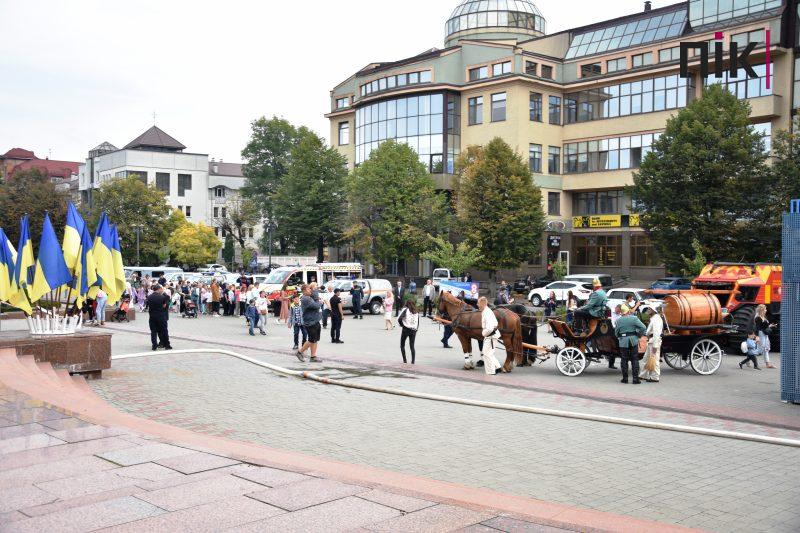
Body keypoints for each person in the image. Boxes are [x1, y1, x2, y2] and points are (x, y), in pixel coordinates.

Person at [614, 304, 646, 384]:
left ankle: (625, 379)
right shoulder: (634, 318)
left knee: (624, 359)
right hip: (633, 340)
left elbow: (616, 332)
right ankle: (635, 379)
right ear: (628, 311)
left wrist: (619, 337)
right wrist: (639, 334)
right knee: (635, 359)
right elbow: (643, 327)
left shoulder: (618, 320)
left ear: (621, 312)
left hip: (623, 341)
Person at [296, 284, 322, 363]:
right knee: (311, 339)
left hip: (315, 320)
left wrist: (314, 289)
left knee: (315, 339)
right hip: (310, 322)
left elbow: (315, 296)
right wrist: (320, 302)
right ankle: (299, 352)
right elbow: (316, 305)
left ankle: (313, 356)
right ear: (303, 291)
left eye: (310, 289)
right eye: (308, 289)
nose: (310, 290)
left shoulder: (310, 297)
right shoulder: (305, 298)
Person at [477, 297, 503, 375]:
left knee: (487, 353)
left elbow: (489, 328)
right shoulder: (486, 311)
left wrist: (483, 333)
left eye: (478, 303)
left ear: (482, 303)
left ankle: (491, 372)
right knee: (488, 353)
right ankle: (497, 367)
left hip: (491, 336)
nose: (477, 305)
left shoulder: (487, 312)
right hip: (492, 335)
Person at [639, 307, 664, 383]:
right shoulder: (653, 318)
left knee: (654, 359)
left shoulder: (656, 319)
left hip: (654, 341)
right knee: (645, 359)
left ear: (653, 310)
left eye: (649, 309)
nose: (647, 310)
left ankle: (655, 377)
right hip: (651, 340)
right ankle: (643, 375)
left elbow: (656, 333)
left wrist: (655, 346)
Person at [146, 284, 172, 350]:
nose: (162, 290)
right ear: (158, 289)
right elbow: (164, 306)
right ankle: (167, 345)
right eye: (161, 289)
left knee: (153, 331)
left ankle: (154, 346)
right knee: (164, 330)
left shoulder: (149, 297)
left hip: (152, 317)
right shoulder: (162, 297)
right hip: (161, 316)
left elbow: (147, 305)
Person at [754, 304, 776, 369]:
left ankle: (768, 364)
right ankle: (749, 357)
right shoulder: (758, 318)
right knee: (759, 350)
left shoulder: (763, 317)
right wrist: (757, 336)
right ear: (762, 310)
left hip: (765, 334)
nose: (766, 310)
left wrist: (770, 326)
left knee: (766, 349)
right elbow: (757, 328)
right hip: (761, 334)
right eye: (765, 309)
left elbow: (764, 326)